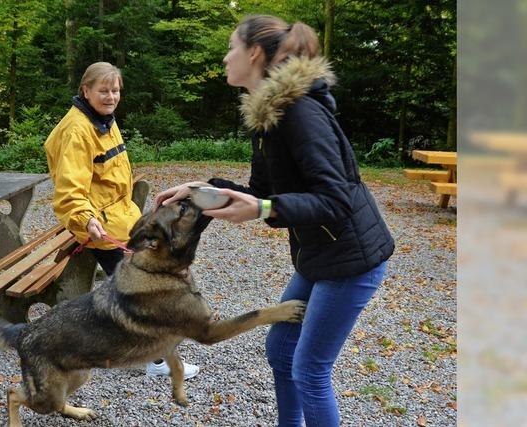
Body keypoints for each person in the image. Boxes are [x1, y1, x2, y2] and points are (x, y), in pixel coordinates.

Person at [154, 15, 394, 426]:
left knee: (310, 369)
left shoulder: (300, 112)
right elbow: (260, 192)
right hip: (319, 256)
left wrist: (265, 209)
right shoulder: (267, 118)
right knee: (281, 350)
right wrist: (199, 190)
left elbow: (334, 199)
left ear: (253, 53)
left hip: (352, 260)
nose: (226, 57)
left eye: (231, 47)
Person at [44, 61, 199, 380]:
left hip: (120, 214)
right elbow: (70, 189)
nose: (111, 96)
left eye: (115, 90)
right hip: (99, 224)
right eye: (103, 90)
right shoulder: (78, 130)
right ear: (85, 91)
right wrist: (85, 219)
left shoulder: (102, 119)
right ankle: (158, 360)